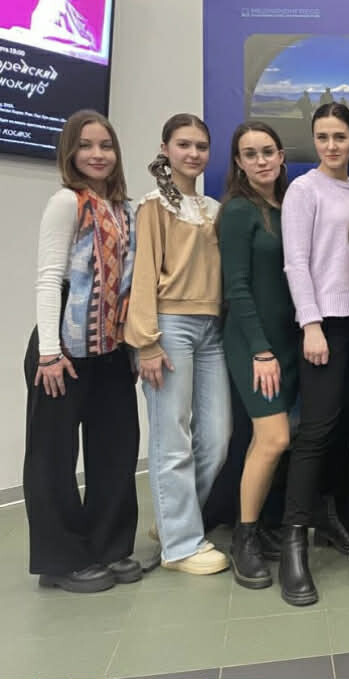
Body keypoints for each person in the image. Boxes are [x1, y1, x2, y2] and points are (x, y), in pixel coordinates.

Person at [24, 109, 139, 593]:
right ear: (70, 153)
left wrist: (131, 349)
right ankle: (62, 560)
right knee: (53, 457)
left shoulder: (122, 208)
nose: (97, 154)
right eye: (86, 145)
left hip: (110, 350)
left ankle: (110, 546)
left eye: (105, 145)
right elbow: (49, 278)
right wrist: (50, 353)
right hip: (62, 353)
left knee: (116, 450)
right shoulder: (65, 203)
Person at [126, 113, 231, 576]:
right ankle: (181, 546)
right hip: (169, 327)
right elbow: (143, 274)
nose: (193, 153)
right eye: (184, 144)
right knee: (172, 439)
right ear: (165, 149)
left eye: (201, 146)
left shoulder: (214, 209)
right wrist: (146, 343)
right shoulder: (152, 207)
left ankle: (174, 521)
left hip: (211, 329)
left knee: (217, 437)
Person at [280, 102, 349, 605]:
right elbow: (296, 263)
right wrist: (311, 324)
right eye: (322, 137)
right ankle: (294, 540)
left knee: (344, 427)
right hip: (323, 326)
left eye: (339, 136)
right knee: (314, 431)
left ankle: (329, 517)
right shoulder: (304, 190)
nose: (331, 145)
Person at [217, 121, 301, 595]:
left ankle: (259, 523)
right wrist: (260, 350)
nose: (261, 160)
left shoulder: (288, 206)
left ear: (281, 155)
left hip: (289, 341)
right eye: (250, 154)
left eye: (267, 151)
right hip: (255, 344)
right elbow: (237, 287)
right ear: (239, 163)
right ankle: (243, 538)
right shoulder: (237, 211)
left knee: (273, 442)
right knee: (273, 438)